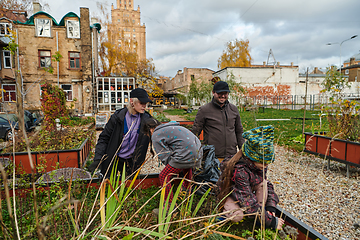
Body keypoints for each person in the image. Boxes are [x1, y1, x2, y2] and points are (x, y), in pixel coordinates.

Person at [217, 125, 284, 230]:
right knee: (237, 216)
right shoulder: (240, 171)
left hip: (244, 194)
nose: (266, 165)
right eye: (264, 163)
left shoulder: (259, 166)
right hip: (231, 195)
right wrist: (272, 222)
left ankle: (259, 217)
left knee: (264, 185)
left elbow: (267, 184)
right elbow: (248, 202)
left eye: (267, 163)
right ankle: (223, 214)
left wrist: (271, 206)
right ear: (251, 158)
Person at [88, 88, 153, 178]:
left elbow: (159, 133)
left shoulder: (147, 119)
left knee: (129, 188)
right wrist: (98, 159)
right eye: (141, 103)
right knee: (109, 186)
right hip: (114, 158)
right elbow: (104, 138)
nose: (144, 106)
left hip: (132, 161)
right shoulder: (118, 117)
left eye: (146, 103)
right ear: (132, 102)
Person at [143, 118, 203, 203]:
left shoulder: (156, 134)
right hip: (198, 154)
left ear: (150, 129)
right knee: (186, 166)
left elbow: (164, 155)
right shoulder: (172, 127)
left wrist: (172, 170)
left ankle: (168, 205)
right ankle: (186, 195)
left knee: (164, 176)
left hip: (185, 154)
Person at [192, 81, 245, 162]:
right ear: (213, 93)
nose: (223, 96)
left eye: (225, 93)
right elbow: (195, 133)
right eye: (220, 93)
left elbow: (239, 131)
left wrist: (243, 151)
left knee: (230, 175)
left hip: (232, 155)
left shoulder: (233, 109)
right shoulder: (204, 110)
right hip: (212, 156)